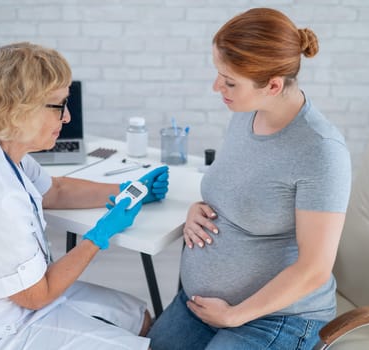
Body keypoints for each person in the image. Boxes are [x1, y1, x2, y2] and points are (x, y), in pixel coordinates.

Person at [0, 42, 169, 349]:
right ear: (21, 109)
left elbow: (55, 190)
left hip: (15, 299)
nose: (66, 118)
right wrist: (100, 234)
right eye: (59, 106)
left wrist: (131, 190)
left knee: (138, 316)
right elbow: (37, 295)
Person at [148, 7, 351, 350]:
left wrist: (235, 315)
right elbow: (242, 191)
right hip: (201, 305)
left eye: (229, 81)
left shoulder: (320, 151)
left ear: (272, 85)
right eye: (219, 74)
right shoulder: (247, 114)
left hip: (279, 318)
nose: (217, 87)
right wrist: (198, 209)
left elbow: (314, 268)